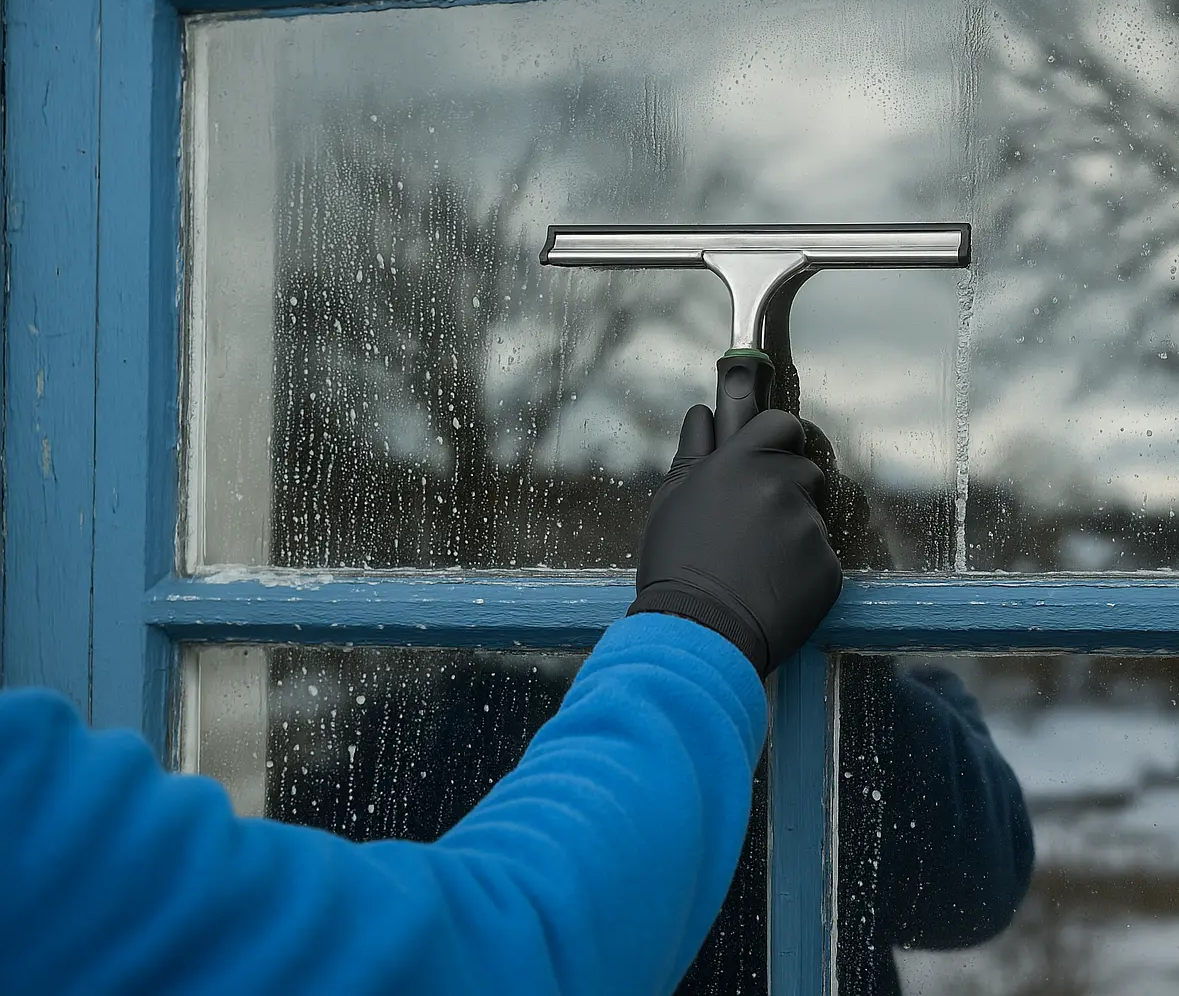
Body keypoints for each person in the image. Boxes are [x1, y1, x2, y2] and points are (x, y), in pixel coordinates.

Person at [0, 406, 842, 995]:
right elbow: (486, 959)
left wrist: (864, 683)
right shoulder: (398, 747)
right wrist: (701, 620)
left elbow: (973, 875)